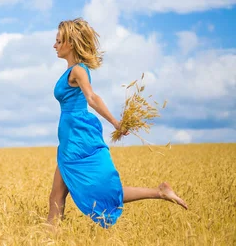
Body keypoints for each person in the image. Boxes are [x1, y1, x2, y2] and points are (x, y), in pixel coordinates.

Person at [47, 18, 188, 228]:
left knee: (92, 193)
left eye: (59, 41)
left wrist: (116, 123)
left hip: (77, 138)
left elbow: (92, 98)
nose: (54, 45)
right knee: (56, 197)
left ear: (71, 43)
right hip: (70, 138)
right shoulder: (71, 71)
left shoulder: (78, 70)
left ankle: (160, 192)